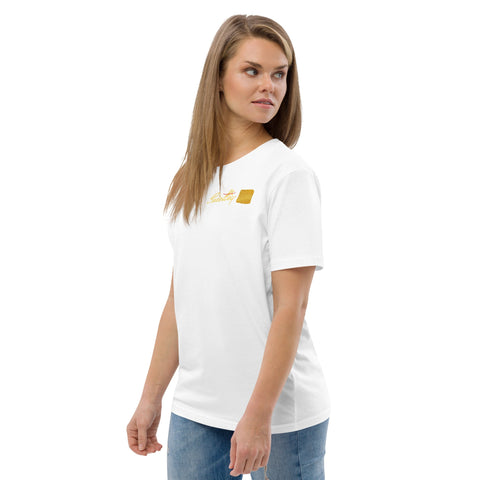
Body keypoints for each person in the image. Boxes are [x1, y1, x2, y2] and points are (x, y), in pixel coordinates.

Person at [126, 14, 331, 480]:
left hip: (278, 415)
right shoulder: (191, 178)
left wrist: (258, 416)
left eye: (279, 74)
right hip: (198, 408)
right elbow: (180, 298)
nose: (269, 87)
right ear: (219, 78)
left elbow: (292, 308)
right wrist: (151, 397)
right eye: (252, 71)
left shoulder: (288, 176)